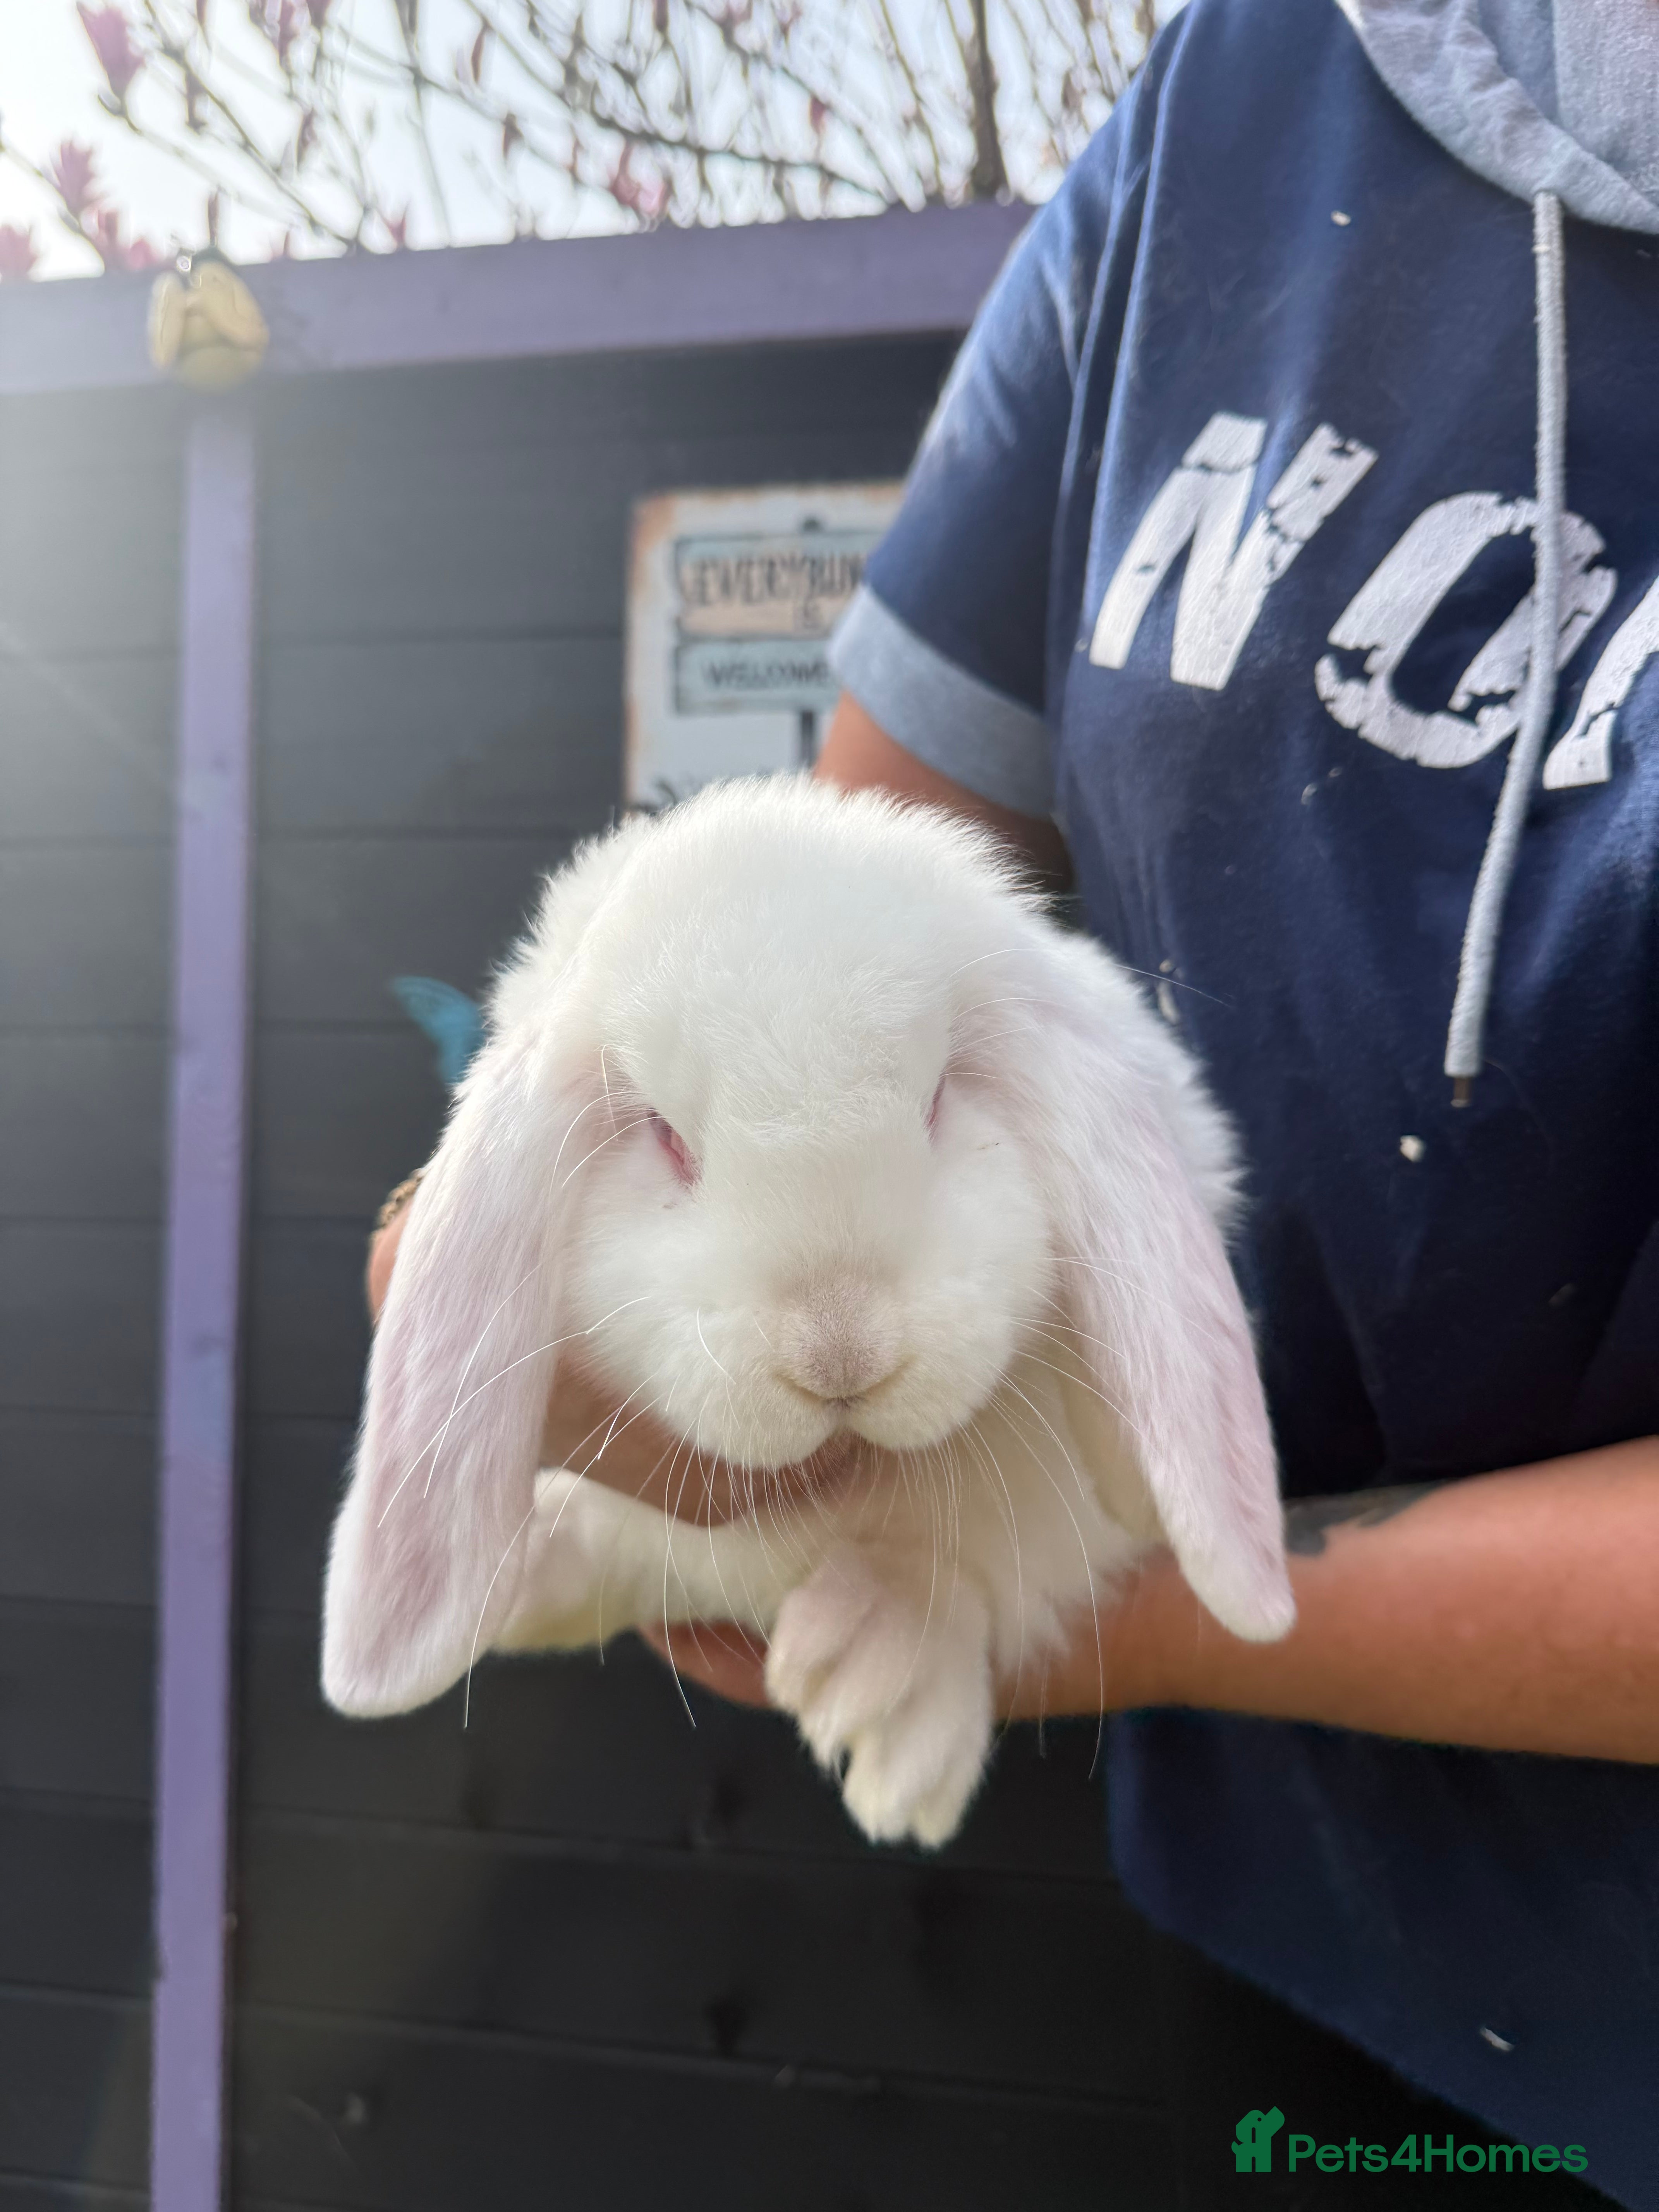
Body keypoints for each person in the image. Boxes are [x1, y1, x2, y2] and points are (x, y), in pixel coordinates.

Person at [369, 0, 1659, 2198]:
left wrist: (1038, 1586)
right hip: (1284, 1942)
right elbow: (870, 896)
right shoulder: (1241, 95)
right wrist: (517, 1287)